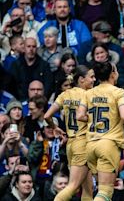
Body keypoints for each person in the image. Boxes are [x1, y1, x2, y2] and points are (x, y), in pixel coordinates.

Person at [77, 61, 124, 201]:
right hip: (108, 144)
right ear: (113, 74)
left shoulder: (88, 93)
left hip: (90, 146)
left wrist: (94, 120)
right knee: (106, 191)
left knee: (102, 191)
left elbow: (80, 115)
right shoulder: (118, 92)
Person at [44, 65, 96, 201]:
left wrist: (54, 127)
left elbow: (46, 116)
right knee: (72, 186)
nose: (94, 80)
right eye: (91, 77)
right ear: (81, 80)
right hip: (82, 143)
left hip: (71, 144)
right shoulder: (89, 96)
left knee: (88, 189)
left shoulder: (65, 94)